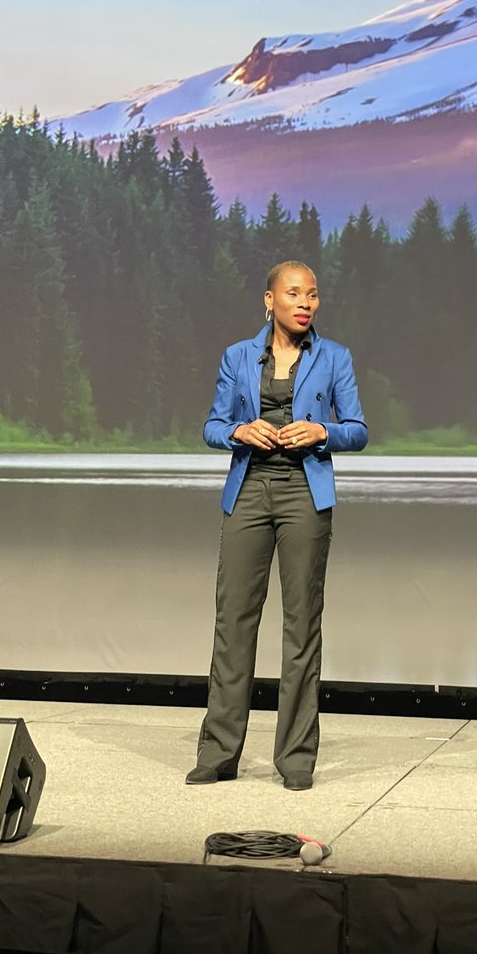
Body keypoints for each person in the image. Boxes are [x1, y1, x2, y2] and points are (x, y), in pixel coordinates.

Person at [186, 260, 367, 791]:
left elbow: (357, 429)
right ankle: (219, 753)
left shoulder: (334, 358)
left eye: (313, 294)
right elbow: (211, 426)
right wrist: (240, 430)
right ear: (270, 301)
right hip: (248, 491)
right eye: (294, 294)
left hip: (303, 494)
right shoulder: (238, 356)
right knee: (233, 621)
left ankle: (295, 759)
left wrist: (321, 431)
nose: (305, 303)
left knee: (300, 626)